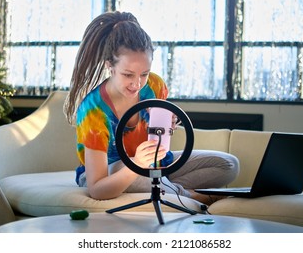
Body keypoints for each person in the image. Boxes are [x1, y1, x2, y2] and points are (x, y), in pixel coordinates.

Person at [64, 11, 239, 205]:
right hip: (111, 171)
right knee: (139, 176)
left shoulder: (155, 85)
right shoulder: (93, 111)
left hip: (153, 163)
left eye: (144, 73)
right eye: (128, 74)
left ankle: (167, 187)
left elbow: (159, 143)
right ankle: (190, 196)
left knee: (229, 164)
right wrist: (137, 164)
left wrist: (168, 126)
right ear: (110, 67)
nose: (137, 84)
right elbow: (97, 189)